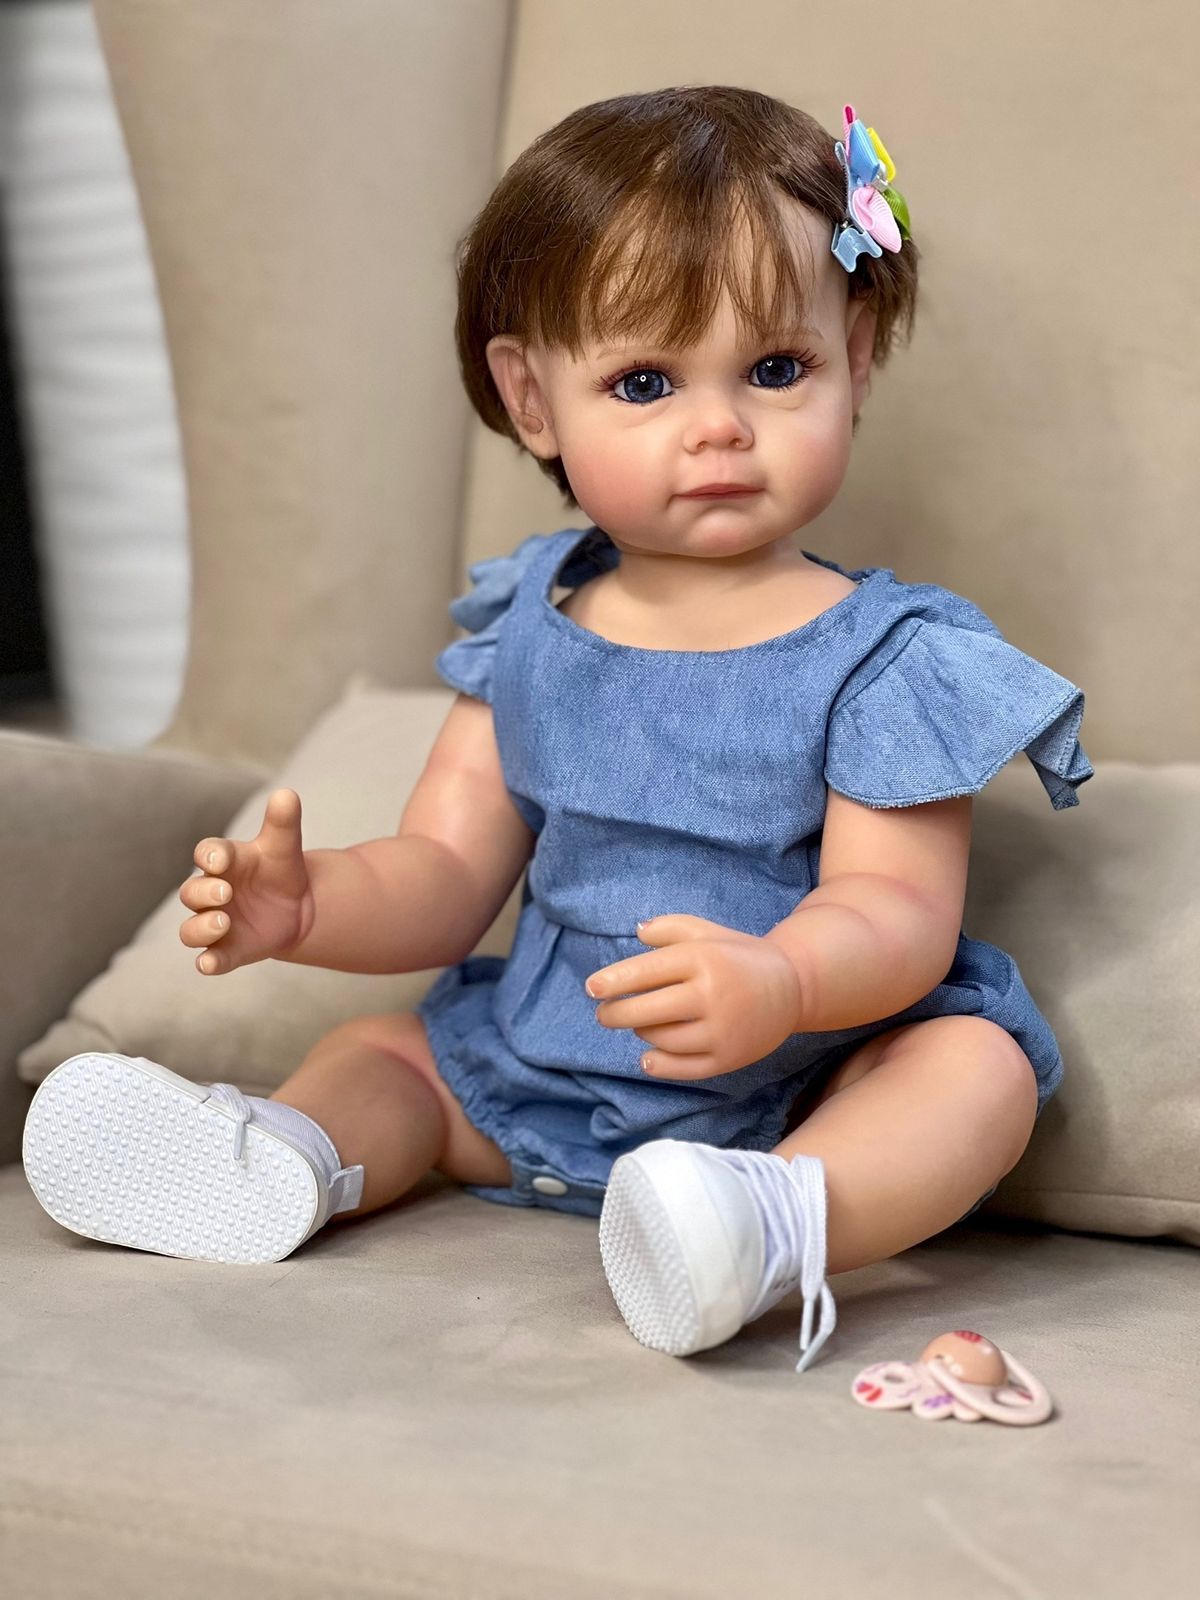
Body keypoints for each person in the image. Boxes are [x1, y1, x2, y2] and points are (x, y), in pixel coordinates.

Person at [23, 88, 1092, 1375]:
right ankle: (283, 1162)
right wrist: (311, 905)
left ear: (854, 359)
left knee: (972, 1071)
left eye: (776, 369)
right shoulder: (528, 622)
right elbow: (442, 872)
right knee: (384, 1054)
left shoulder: (889, 658)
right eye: (644, 382)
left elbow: (897, 912)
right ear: (531, 399)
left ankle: (766, 1226)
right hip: (536, 1073)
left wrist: (785, 982)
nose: (718, 425)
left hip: (794, 1088)